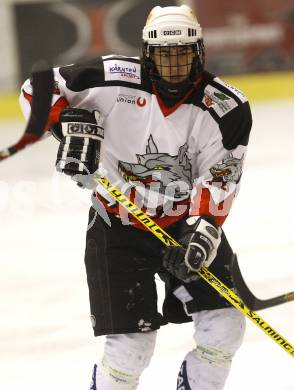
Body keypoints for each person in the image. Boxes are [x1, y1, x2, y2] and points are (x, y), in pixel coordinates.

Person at [19, 5, 252, 390]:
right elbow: (36, 87)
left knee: (225, 325)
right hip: (117, 225)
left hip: (183, 225)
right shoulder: (110, 77)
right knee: (131, 347)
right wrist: (63, 121)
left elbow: (220, 178)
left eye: (183, 53)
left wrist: (201, 235)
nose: (174, 64)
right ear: (147, 54)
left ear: (200, 53)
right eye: (164, 54)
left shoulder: (227, 108)